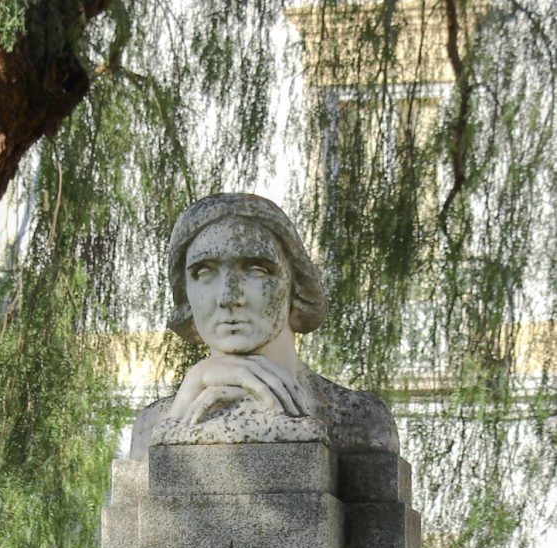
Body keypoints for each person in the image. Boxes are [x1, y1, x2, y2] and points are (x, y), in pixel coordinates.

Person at [129, 193, 398, 459]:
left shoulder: (357, 420)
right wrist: (177, 427)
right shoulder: (152, 426)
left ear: (295, 283)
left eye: (256, 270)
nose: (228, 297)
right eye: (204, 272)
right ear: (184, 291)